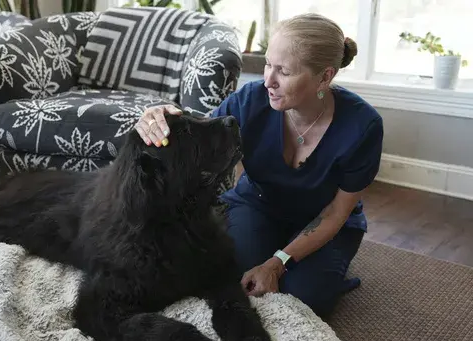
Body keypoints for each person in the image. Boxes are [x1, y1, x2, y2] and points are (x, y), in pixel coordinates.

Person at [135, 13, 384, 318]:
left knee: (305, 297)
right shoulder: (251, 99)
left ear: (324, 77)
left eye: (284, 71)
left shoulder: (363, 125)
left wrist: (276, 262)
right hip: (259, 205)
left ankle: (316, 267)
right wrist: (162, 115)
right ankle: (270, 247)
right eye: (268, 64)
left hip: (323, 220)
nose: (268, 81)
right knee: (230, 271)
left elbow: (335, 213)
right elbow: (201, 131)